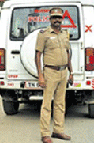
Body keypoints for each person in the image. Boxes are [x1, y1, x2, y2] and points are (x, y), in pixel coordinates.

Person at [35, 8, 73, 142]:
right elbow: (38, 54)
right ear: (50, 19)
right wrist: (40, 75)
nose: (57, 20)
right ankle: (45, 133)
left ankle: (58, 130)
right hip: (50, 72)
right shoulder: (43, 34)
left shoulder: (64, 34)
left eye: (59, 17)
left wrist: (71, 71)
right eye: (54, 17)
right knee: (46, 104)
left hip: (63, 72)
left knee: (60, 103)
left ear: (62, 19)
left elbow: (68, 53)